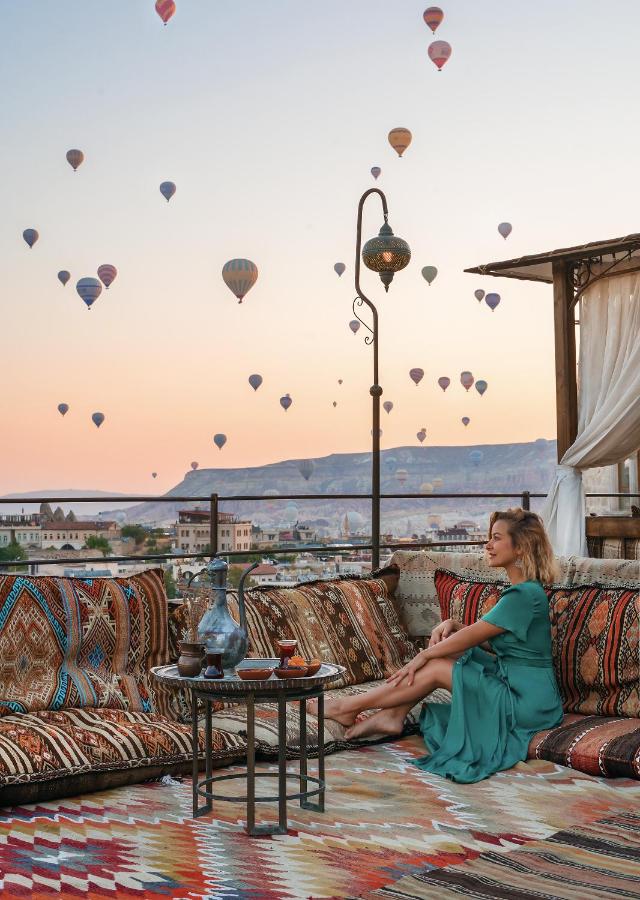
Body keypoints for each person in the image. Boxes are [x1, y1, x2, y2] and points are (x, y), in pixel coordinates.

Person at [316, 508, 564, 783]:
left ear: (521, 548)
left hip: (527, 702)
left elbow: (474, 637)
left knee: (435, 666)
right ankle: (391, 715)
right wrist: (453, 624)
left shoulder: (524, 595)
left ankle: (347, 708)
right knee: (444, 653)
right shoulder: (524, 591)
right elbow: (485, 635)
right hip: (514, 684)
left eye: (496, 538)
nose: (488, 545)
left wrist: (421, 657)